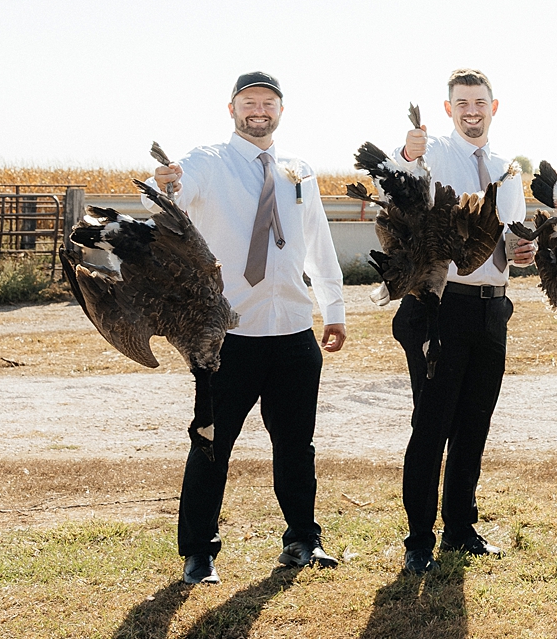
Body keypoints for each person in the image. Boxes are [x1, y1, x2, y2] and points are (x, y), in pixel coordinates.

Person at [149, 71, 346, 585]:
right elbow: (167, 189)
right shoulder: (208, 163)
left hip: (293, 334)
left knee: (297, 446)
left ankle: (304, 539)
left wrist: (335, 309)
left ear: (281, 110)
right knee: (212, 443)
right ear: (232, 109)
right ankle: (198, 552)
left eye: (268, 102)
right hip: (228, 339)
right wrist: (163, 184)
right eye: (249, 102)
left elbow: (318, 241)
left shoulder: (298, 170)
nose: (259, 110)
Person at [393, 68, 533, 575]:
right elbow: (401, 185)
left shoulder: (507, 168)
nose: (472, 110)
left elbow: (510, 242)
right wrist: (407, 156)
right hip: (440, 307)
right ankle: (418, 539)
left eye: (480, 102)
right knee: (432, 426)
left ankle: (459, 528)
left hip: (493, 307)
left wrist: (523, 250)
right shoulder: (430, 155)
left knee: (474, 423)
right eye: (462, 103)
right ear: (449, 109)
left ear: (494, 108)